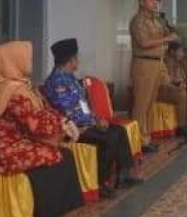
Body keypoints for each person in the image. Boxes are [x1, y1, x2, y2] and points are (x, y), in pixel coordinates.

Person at [0, 41, 83, 217]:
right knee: (55, 156)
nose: (29, 61)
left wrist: (62, 121)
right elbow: (35, 124)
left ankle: (54, 211)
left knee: (63, 155)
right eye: (25, 57)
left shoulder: (19, 86)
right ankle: (41, 216)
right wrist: (62, 125)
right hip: (1, 150)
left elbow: (41, 111)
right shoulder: (10, 91)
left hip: (15, 141)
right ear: (12, 61)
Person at [43, 39, 142, 198]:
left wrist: (97, 120)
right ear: (71, 60)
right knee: (109, 139)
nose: (78, 61)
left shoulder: (70, 78)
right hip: (73, 130)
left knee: (119, 131)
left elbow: (84, 105)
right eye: (77, 58)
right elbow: (69, 112)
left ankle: (123, 173)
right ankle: (100, 183)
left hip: (86, 124)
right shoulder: (56, 82)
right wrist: (93, 124)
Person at [129, 0, 177, 152]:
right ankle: (137, 141)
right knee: (141, 104)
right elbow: (143, 43)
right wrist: (166, 39)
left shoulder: (157, 21)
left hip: (157, 64)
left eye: (157, 0)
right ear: (141, 2)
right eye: (151, 0)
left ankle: (146, 137)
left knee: (150, 103)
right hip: (144, 64)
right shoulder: (138, 21)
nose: (155, 3)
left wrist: (170, 32)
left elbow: (165, 38)